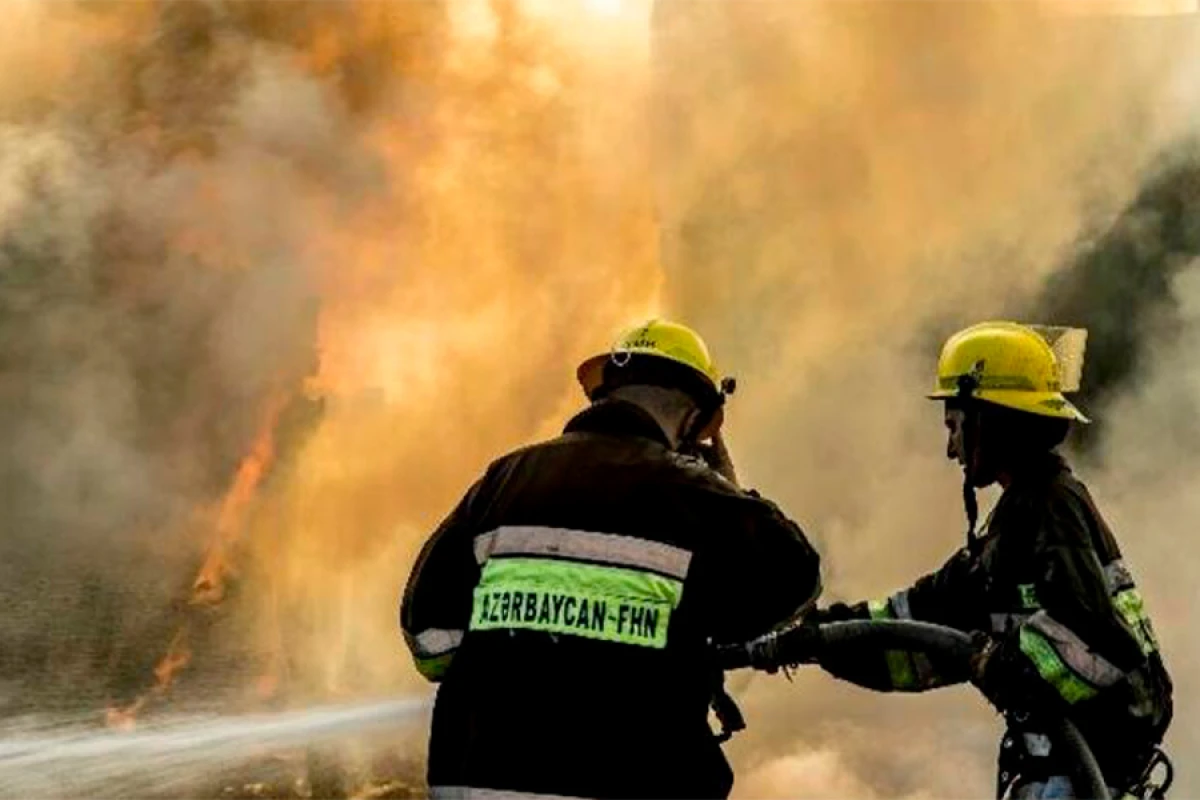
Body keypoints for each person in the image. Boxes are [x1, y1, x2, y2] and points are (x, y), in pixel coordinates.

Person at [726, 321, 1173, 800]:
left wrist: (1004, 664)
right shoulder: (1018, 520)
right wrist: (812, 637)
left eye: (954, 427)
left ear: (989, 419)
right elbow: (918, 627)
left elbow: (1100, 640)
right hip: (1059, 776)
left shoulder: (1051, 506)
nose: (950, 449)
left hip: (1082, 781)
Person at [399, 318, 823, 799]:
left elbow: (428, 637)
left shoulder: (504, 479)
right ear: (695, 422)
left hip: (476, 779)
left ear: (606, 395)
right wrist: (731, 489)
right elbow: (797, 580)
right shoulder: (694, 493)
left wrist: (516, 663)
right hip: (625, 779)